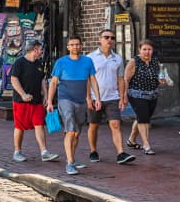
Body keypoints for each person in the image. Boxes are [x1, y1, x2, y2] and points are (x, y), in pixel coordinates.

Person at [47, 35, 101, 175]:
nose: (75, 47)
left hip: (81, 101)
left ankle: (72, 157)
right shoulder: (61, 62)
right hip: (65, 99)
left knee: (77, 133)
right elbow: (53, 83)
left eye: (78, 44)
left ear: (81, 46)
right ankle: (70, 163)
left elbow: (93, 80)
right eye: (72, 44)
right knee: (70, 130)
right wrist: (49, 101)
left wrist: (97, 98)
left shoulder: (88, 61)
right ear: (68, 47)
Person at [87, 29, 135, 165]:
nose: (110, 40)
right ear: (99, 39)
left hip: (112, 97)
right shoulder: (90, 58)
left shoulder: (118, 58)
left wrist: (122, 97)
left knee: (115, 124)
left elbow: (120, 79)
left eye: (112, 38)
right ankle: (93, 150)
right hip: (95, 97)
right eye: (106, 37)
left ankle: (120, 153)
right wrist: (88, 98)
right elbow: (87, 80)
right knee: (93, 125)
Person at [11, 40, 59, 163]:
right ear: (35, 49)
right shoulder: (19, 62)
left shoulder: (39, 63)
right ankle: (17, 151)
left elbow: (42, 80)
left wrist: (46, 95)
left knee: (39, 124)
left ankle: (44, 152)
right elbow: (14, 79)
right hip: (21, 101)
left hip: (36, 101)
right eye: (40, 49)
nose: (42, 51)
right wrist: (22, 94)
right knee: (19, 126)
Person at [124, 40, 166, 155]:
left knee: (142, 117)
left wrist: (161, 81)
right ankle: (146, 145)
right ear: (139, 50)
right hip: (136, 94)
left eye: (149, 49)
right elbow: (126, 80)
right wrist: (124, 96)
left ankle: (131, 140)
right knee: (144, 120)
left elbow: (159, 77)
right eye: (144, 49)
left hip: (152, 94)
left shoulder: (155, 62)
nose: (147, 52)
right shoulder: (134, 62)